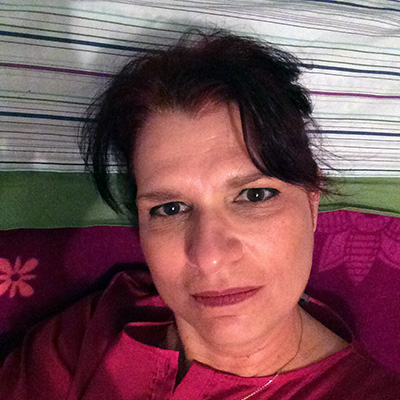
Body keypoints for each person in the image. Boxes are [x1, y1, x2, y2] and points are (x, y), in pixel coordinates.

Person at [1, 29, 399, 400]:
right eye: (170, 208)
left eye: (254, 195)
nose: (209, 256)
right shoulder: (86, 337)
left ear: (311, 204)